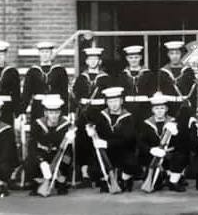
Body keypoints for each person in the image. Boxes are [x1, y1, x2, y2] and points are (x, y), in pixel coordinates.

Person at [85, 87, 139, 193]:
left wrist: (107, 143)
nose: (113, 104)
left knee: (132, 164)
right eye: (110, 101)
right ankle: (107, 179)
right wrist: (91, 131)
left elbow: (128, 139)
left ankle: (125, 179)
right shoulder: (101, 116)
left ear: (121, 101)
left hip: (123, 152)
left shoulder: (129, 117)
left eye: (116, 101)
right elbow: (95, 130)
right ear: (107, 102)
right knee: (93, 170)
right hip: (107, 153)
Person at [72, 46, 111, 187]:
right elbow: (75, 97)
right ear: (87, 61)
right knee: (83, 143)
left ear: (99, 61)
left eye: (96, 59)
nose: (93, 61)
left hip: (100, 112)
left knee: (100, 141)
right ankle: (85, 175)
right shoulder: (81, 78)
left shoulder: (106, 78)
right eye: (90, 59)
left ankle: (100, 174)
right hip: (84, 113)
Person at [24, 96, 75, 196]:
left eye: (56, 112)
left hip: (59, 154)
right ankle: (40, 181)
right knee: (29, 161)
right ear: (46, 113)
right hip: (42, 154)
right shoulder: (37, 124)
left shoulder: (65, 124)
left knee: (67, 159)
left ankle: (61, 181)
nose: (54, 116)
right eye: (51, 113)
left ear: (60, 113)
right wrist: (41, 161)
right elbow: (32, 146)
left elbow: (68, 150)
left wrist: (70, 138)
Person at [136, 93, 186, 192]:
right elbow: (140, 142)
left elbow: (182, 143)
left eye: (162, 108)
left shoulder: (173, 122)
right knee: (156, 185)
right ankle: (164, 175)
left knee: (181, 157)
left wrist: (176, 134)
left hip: (169, 155)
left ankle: (173, 181)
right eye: (157, 108)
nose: (159, 111)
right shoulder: (146, 124)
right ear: (152, 110)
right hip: (153, 156)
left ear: (166, 109)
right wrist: (151, 150)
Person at [20, 41, 69, 122]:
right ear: (39, 53)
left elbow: (64, 93)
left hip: (55, 106)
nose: (45, 54)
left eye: (47, 52)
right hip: (38, 107)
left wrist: (65, 112)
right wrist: (22, 111)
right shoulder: (32, 71)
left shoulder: (60, 71)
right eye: (42, 52)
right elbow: (26, 93)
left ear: (51, 53)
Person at [157, 41, 196, 126]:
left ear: (181, 54)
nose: (174, 56)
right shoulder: (162, 72)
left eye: (177, 53)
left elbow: (193, 94)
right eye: (172, 53)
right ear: (168, 55)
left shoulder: (188, 71)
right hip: (168, 107)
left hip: (184, 106)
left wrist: (193, 112)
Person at [117, 45, 155, 125]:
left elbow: (152, 93)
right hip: (127, 108)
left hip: (144, 108)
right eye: (131, 58)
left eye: (136, 57)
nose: (133, 60)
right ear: (127, 58)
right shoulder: (122, 75)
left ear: (140, 57)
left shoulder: (149, 74)